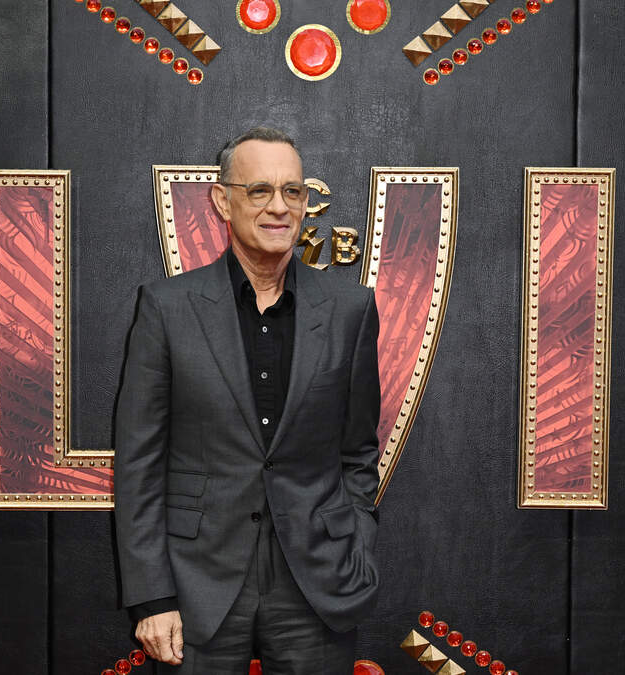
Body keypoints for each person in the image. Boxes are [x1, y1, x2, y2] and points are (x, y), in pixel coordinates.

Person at [114, 127, 381, 674]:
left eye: (293, 191)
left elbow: (357, 451)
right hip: (197, 585)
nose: (279, 207)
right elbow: (139, 465)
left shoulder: (350, 310)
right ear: (222, 201)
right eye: (259, 190)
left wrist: (355, 544)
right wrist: (152, 595)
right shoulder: (166, 308)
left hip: (318, 585)